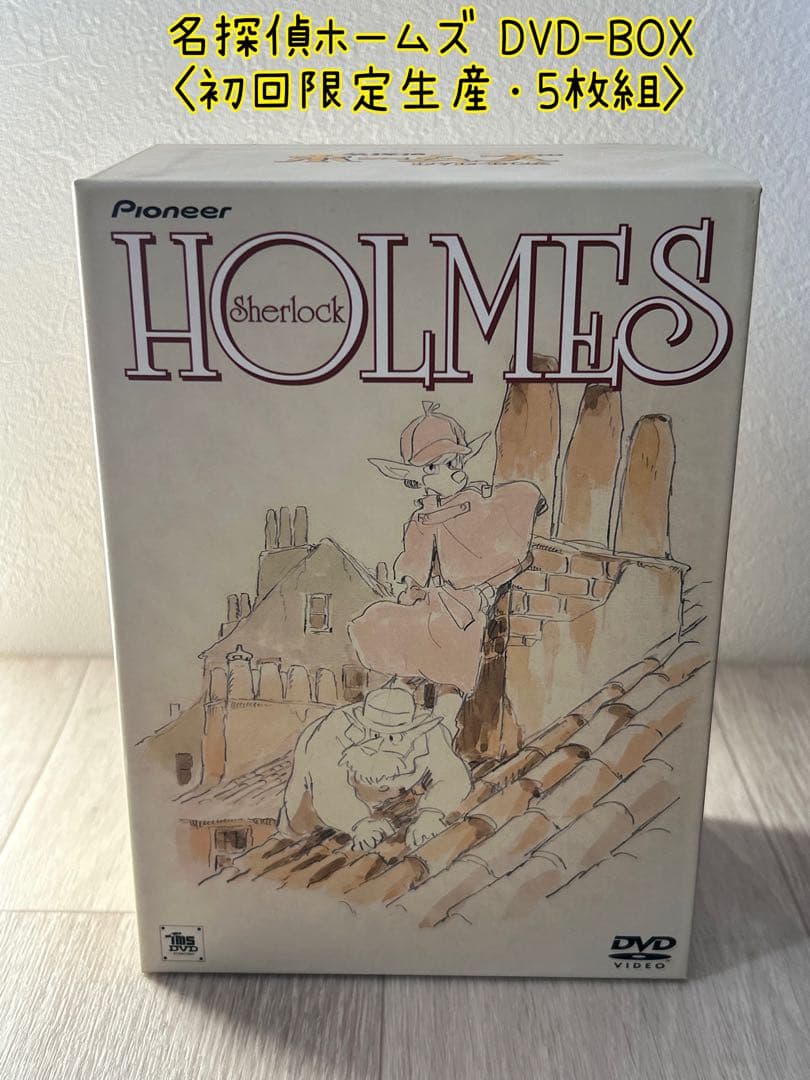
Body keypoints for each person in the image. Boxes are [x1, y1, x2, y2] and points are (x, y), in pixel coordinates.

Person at [349, 402, 545, 730]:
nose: (451, 472)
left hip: (468, 599)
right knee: (396, 631)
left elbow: (509, 534)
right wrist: (411, 585)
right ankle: (395, 709)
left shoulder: (479, 502)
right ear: (416, 477)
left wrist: (485, 587)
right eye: (434, 466)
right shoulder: (422, 518)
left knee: (451, 656)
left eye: (454, 462)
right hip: (434, 600)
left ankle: (442, 722)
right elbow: (414, 561)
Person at [277, 685, 473, 851]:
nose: (382, 745)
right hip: (314, 801)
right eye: (376, 735)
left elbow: (453, 776)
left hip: (384, 803)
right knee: (300, 832)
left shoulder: (430, 733)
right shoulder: (331, 732)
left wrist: (432, 813)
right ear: (361, 727)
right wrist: (359, 824)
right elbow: (329, 790)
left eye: (393, 736)